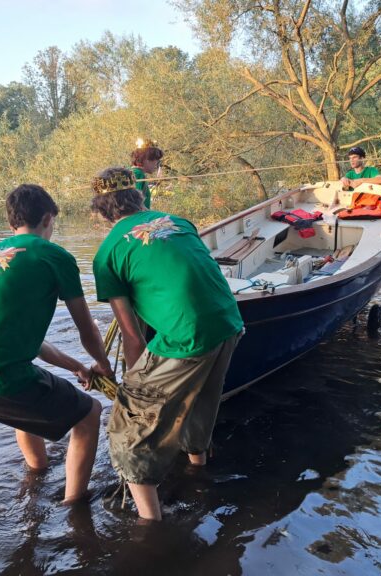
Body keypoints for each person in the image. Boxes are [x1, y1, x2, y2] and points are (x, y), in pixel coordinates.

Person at [0, 184, 114, 503]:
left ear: (11, 225)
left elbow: (28, 343)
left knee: (26, 401)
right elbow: (88, 329)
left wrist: (76, 367)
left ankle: (36, 474)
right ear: (48, 218)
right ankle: (74, 506)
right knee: (90, 413)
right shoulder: (54, 255)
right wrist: (103, 366)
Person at [91, 167, 243, 521]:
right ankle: (198, 472)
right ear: (138, 196)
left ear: (100, 210)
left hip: (187, 336)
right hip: (229, 323)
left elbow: (132, 335)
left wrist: (131, 387)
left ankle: (150, 523)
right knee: (200, 401)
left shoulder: (107, 254)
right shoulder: (178, 221)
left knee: (130, 429)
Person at [131, 140, 164, 209]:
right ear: (147, 160)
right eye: (156, 161)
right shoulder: (137, 174)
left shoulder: (134, 172)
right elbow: (137, 204)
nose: (156, 165)